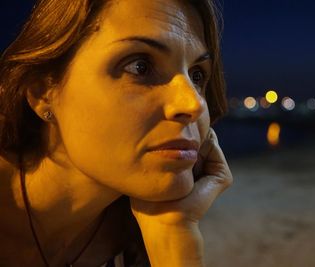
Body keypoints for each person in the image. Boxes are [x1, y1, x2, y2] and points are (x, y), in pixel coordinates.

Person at [0, 0, 233, 266]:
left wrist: (173, 235)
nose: (194, 103)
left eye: (197, 75)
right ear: (43, 92)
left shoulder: (133, 232)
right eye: (140, 67)